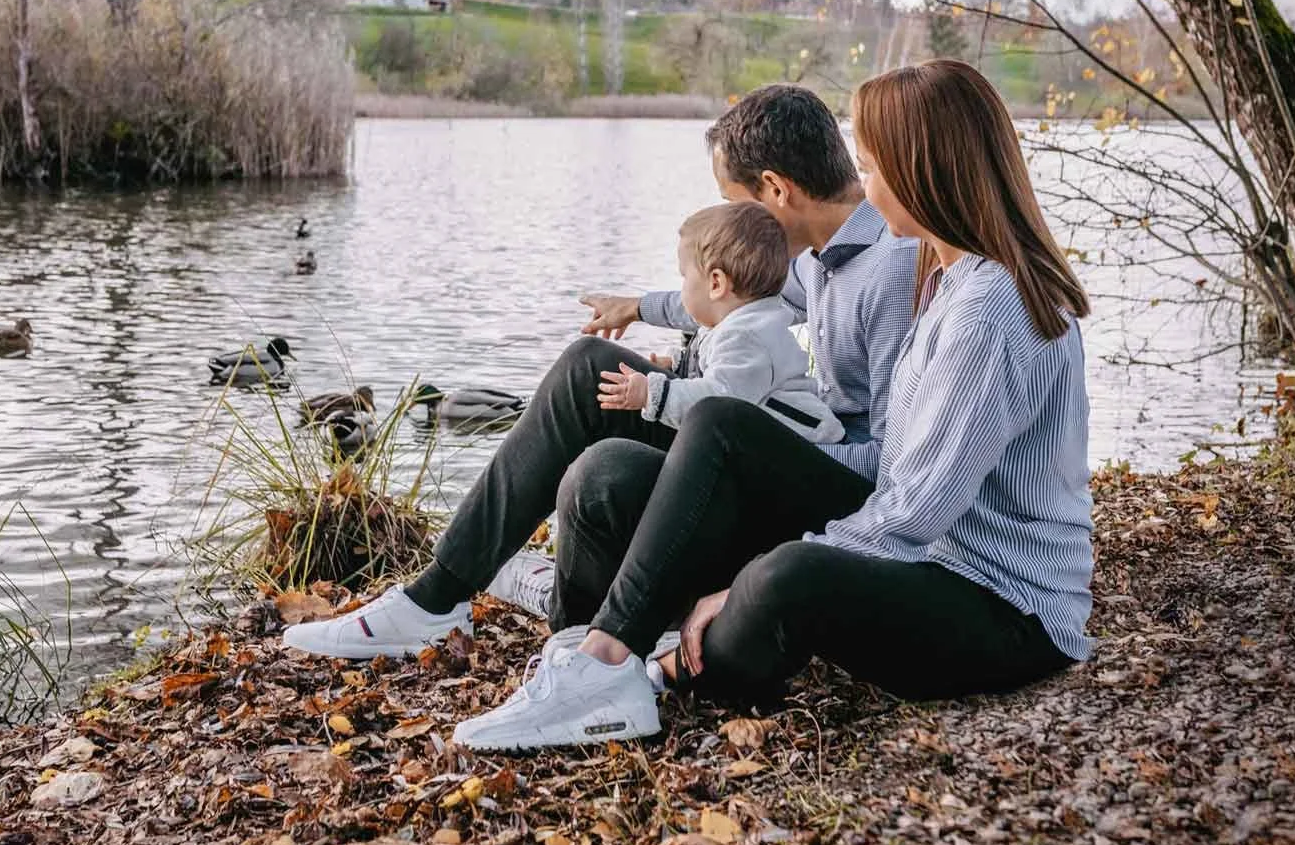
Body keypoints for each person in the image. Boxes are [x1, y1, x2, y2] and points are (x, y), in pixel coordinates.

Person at [451, 59, 1095, 751]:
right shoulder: (947, 277)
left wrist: (757, 565)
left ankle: (630, 665)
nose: (867, 192)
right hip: (927, 555)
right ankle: (595, 657)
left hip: (1003, 605)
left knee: (783, 570)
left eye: (874, 169)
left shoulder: (985, 314)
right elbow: (747, 305)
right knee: (628, 468)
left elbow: (914, 510)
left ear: (924, 173)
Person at [281, 85, 918, 661]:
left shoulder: (889, 273)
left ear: (776, 191)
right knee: (602, 461)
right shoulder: (819, 261)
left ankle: (441, 596)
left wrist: (767, 441)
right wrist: (639, 308)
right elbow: (733, 297)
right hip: (771, 456)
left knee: (608, 383)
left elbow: (897, 463)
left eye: (734, 205)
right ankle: (452, 600)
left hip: (827, 493)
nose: (732, 230)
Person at [597, 202, 843, 446]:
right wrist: (680, 365)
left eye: (684, 276)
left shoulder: (747, 335)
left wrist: (652, 394)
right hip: (763, 438)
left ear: (716, 283)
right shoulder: (737, 322)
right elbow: (726, 370)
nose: (682, 288)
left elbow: (717, 401)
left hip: (804, 448)